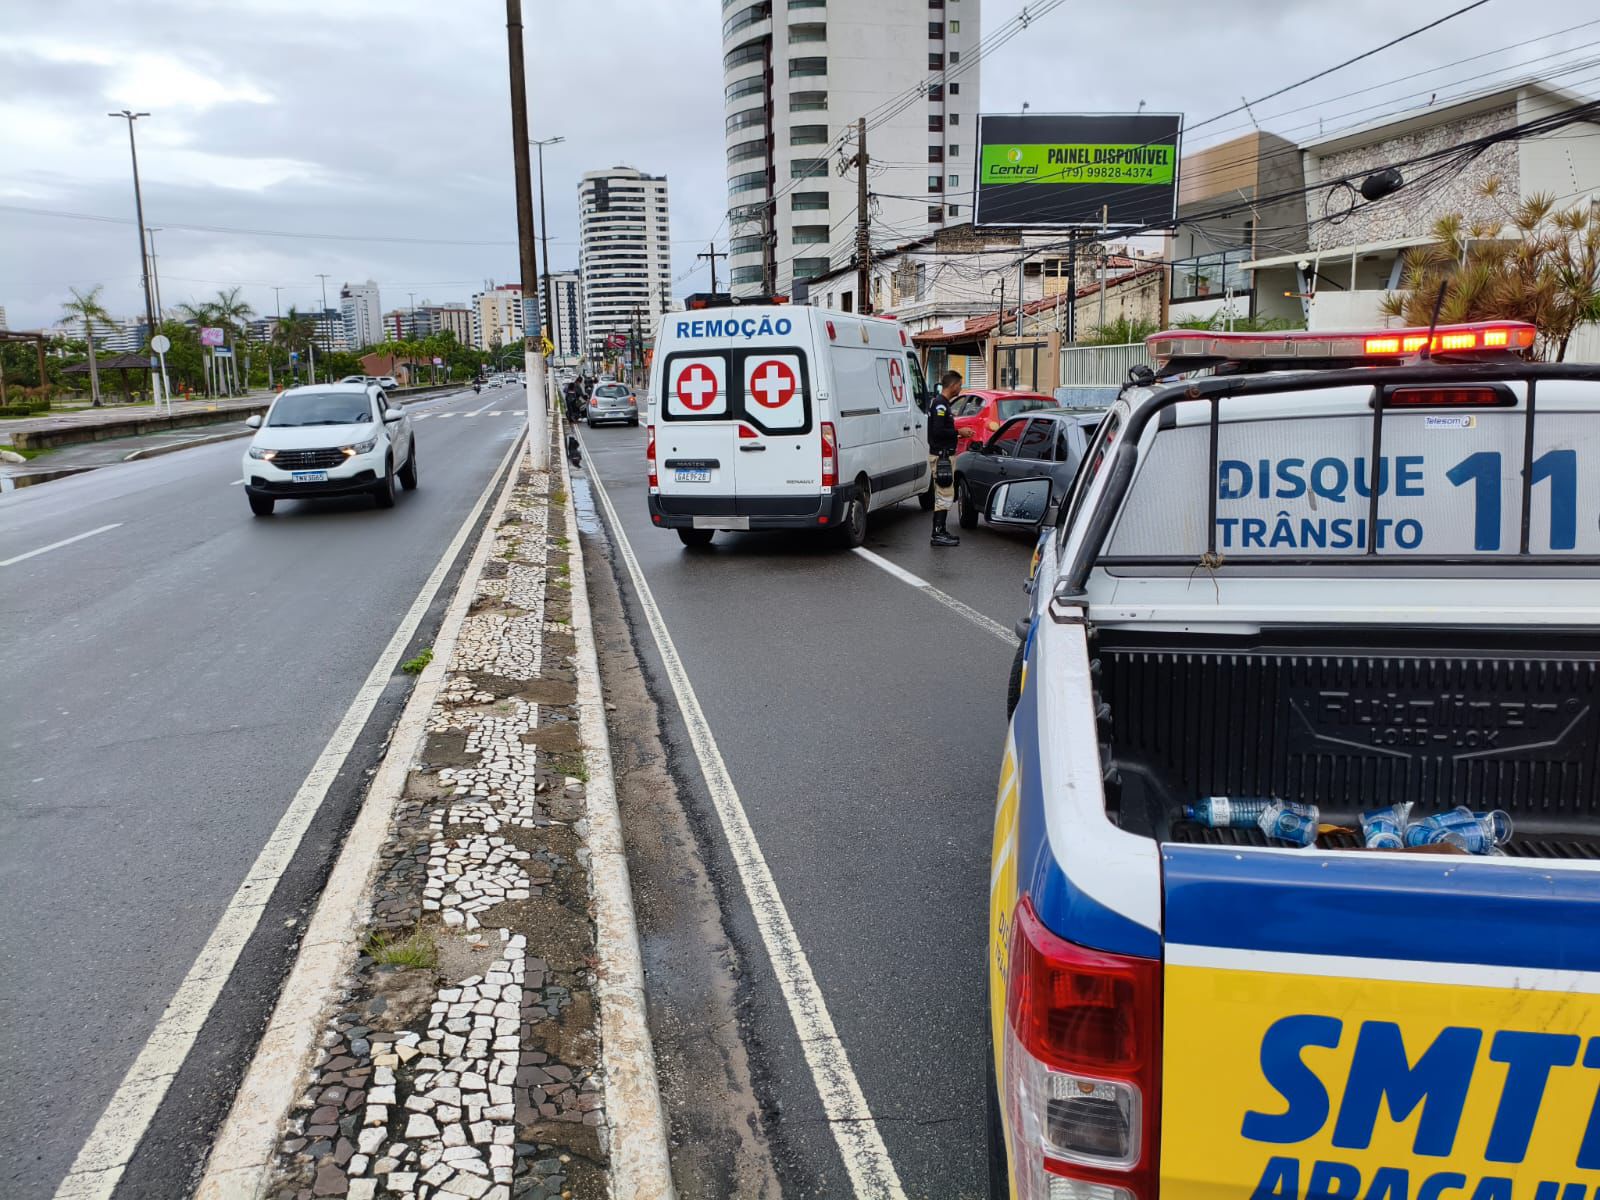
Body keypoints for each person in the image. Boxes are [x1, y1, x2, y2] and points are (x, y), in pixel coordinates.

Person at [927, 370, 962, 547]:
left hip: (944, 455)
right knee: (944, 494)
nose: (960, 389)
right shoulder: (940, 405)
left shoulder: (943, 404)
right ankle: (938, 533)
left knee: (946, 493)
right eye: (960, 385)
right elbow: (937, 431)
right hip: (942, 457)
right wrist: (958, 432)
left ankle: (940, 530)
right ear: (953, 385)